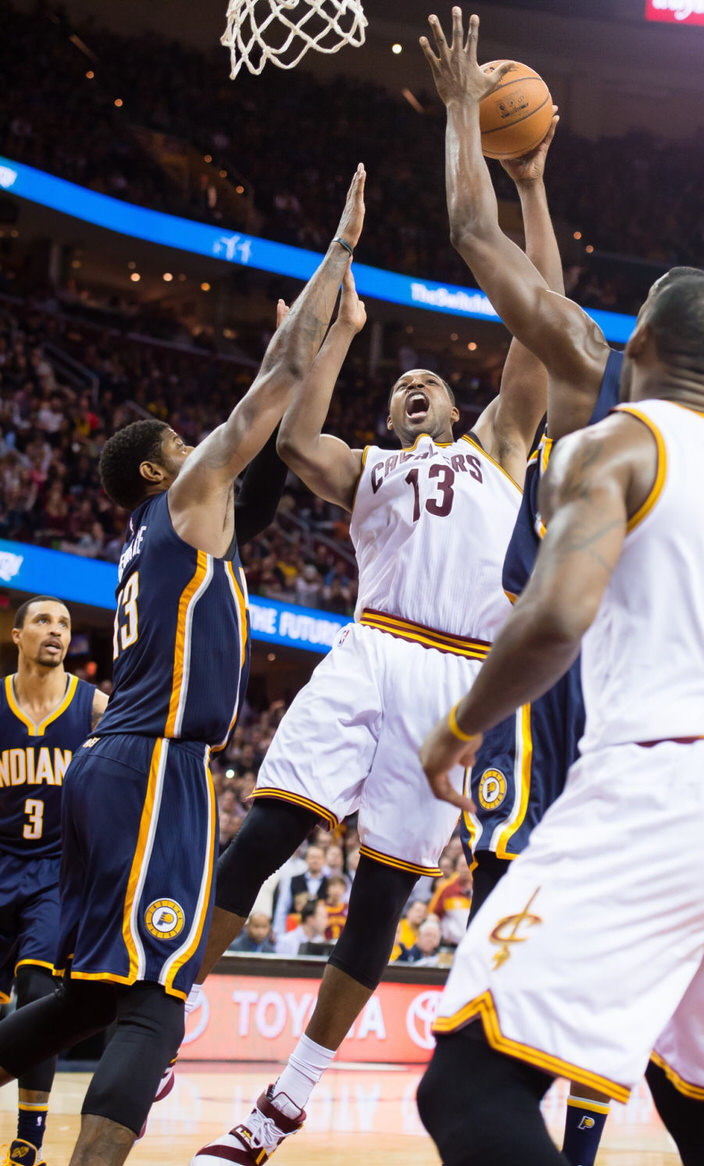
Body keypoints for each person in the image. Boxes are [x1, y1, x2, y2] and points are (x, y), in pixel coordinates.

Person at [422, 16, 704, 1161]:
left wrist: (456, 121)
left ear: (629, 343)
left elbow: (473, 235)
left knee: (469, 1090)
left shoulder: (607, 412)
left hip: (649, 761)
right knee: (695, 1097)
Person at [0, 165, 366, 1166]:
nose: (196, 436)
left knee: (88, 993)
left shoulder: (167, 533)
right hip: (156, 766)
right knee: (159, 999)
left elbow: (269, 479)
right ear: (165, 468)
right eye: (180, 437)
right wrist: (334, 252)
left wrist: (326, 339)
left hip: (117, 762)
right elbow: (264, 407)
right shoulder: (182, 499)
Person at [190, 210, 546, 1166]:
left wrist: (530, 186)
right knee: (265, 831)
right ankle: (167, 1010)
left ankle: (285, 1099)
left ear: (455, 402)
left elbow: (537, 321)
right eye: (402, 386)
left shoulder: (500, 445)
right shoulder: (367, 469)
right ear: (390, 420)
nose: (416, 384)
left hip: (458, 678)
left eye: (428, 378)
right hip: (370, 648)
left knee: (382, 897)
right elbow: (299, 434)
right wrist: (342, 335)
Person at [0, 596, 107, 1166]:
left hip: (54, 874)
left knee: (37, 995)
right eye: (43, 621)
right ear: (17, 635)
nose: (56, 631)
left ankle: (27, 1142)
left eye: (64, 624)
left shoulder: (93, 707)